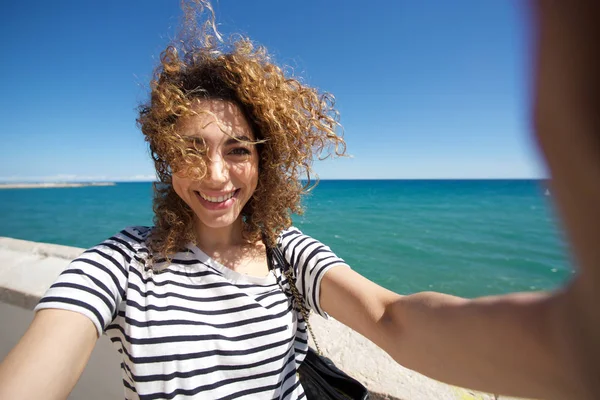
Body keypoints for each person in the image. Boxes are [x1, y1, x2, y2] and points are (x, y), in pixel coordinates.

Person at [0, 1, 598, 399]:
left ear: (264, 160)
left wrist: (571, 343)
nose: (216, 175)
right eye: (191, 150)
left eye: (237, 149)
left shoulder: (287, 253)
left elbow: (393, 318)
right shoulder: (121, 264)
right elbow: (47, 356)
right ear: (164, 158)